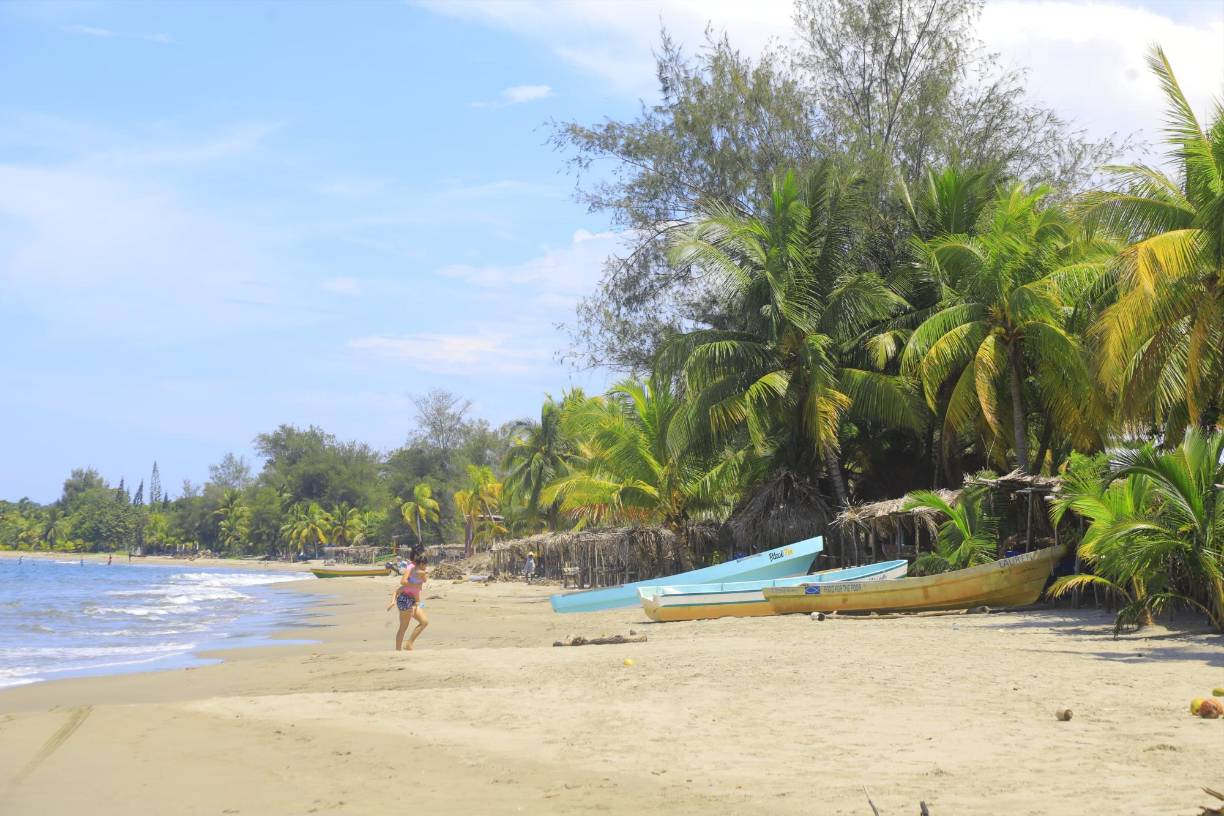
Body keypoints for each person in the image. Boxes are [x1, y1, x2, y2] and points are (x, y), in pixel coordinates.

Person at [386, 555, 429, 651]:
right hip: (404, 599)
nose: (426, 567)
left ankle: (409, 644)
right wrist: (392, 602)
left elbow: (424, 579)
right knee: (403, 627)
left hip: (414, 601)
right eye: (425, 565)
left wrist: (419, 604)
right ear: (421, 564)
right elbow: (397, 590)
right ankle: (398, 650)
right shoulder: (412, 572)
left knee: (424, 622)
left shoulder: (420, 573)